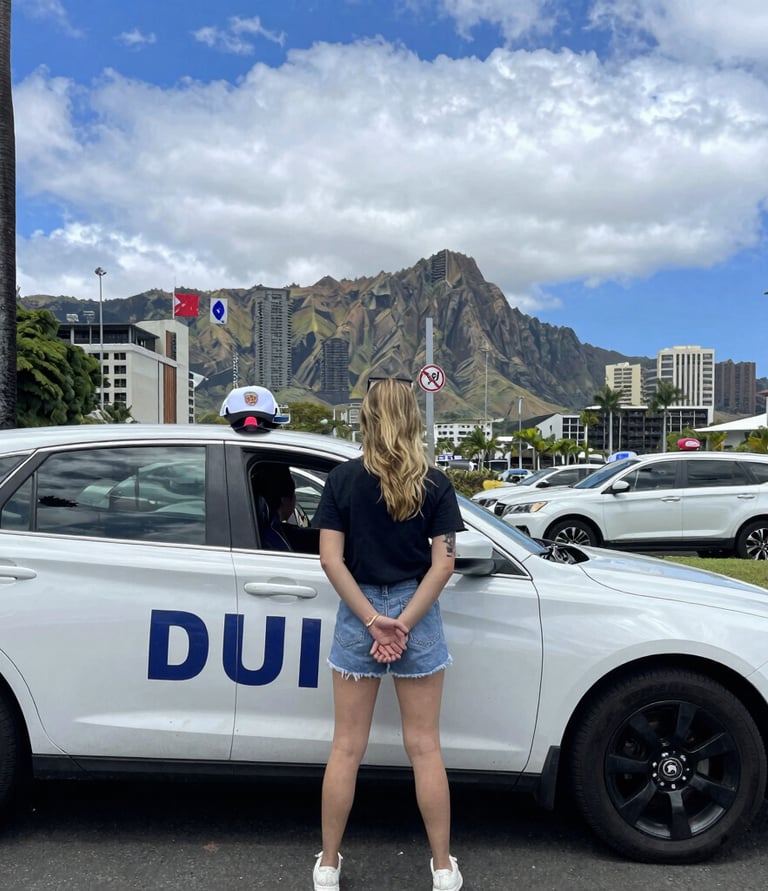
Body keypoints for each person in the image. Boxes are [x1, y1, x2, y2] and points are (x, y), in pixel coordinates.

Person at [312, 378, 465, 891]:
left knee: (346, 749)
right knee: (425, 747)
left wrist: (373, 621)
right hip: (416, 613)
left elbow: (330, 560)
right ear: (413, 419)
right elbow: (443, 566)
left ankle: (329, 864)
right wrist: (403, 622)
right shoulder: (437, 484)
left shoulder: (341, 481)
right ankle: (442, 867)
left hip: (359, 614)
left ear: (367, 418)